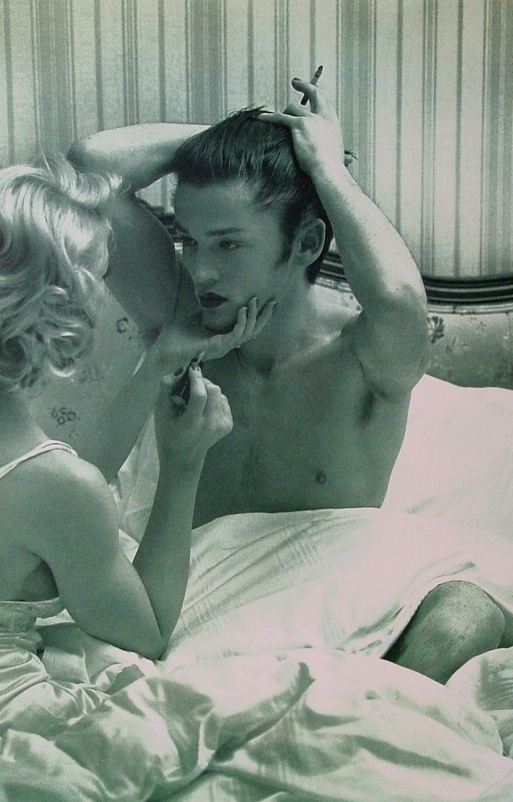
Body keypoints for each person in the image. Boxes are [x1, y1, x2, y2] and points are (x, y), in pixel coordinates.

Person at [66, 77, 507, 684]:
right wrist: (269, 142)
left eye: (228, 245)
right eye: (191, 240)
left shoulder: (364, 355)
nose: (201, 269)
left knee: (467, 616)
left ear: (306, 243)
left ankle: (367, 713)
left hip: (341, 595)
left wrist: (325, 168)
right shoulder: (181, 320)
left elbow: (399, 299)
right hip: (203, 596)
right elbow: (89, 167)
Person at [0, 155, 243, 735]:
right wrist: (182, 464)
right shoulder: (57, 489)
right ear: (56, 306)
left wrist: (157, 363)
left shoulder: (33, 472)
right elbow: (147, 630)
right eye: (98, 279)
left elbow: (27, 492)